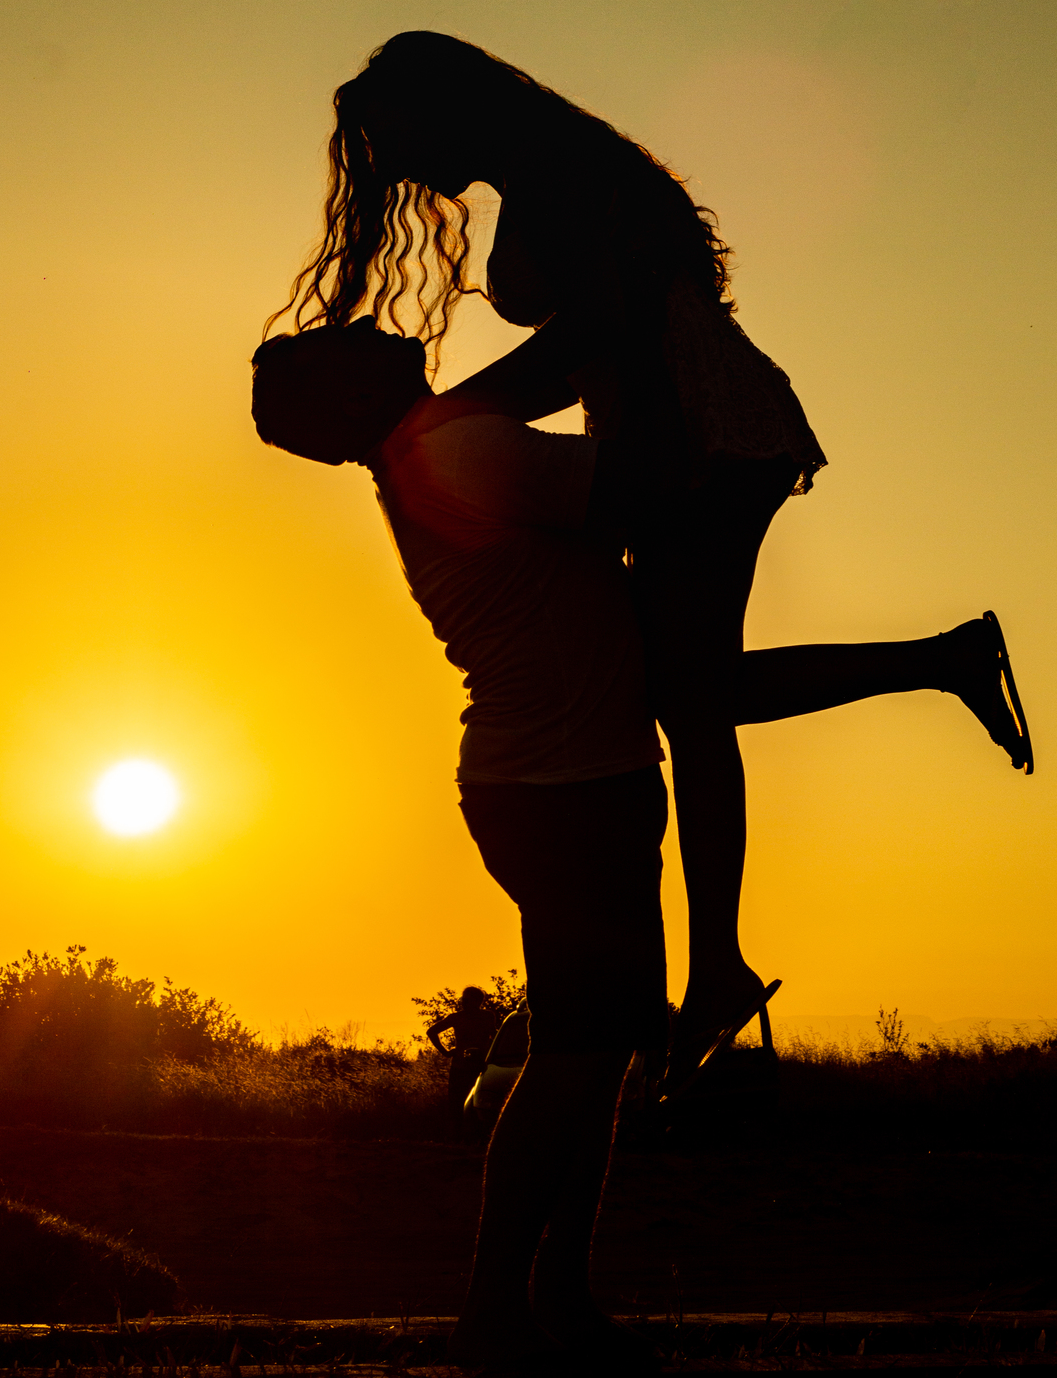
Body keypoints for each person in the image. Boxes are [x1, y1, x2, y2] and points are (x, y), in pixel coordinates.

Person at [250, 317, 1029, 1370]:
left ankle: (557, 1294)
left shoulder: (435, 448)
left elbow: (673, 645)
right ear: (346, 404)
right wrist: (628, 341)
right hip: (566, 796)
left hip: (570, 785)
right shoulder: (459, 449)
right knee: (576, 1062)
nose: (373, 326)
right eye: (342, 346)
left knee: (600, 1054)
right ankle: (498, 1308)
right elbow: (652, 483)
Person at [269, 32, 1034, 1086]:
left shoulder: (553, 173)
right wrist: (456, 417)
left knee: (691, 694)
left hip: (695, 420)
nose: (395, 170)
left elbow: (601, 337)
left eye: (396, 139)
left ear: (441, 105)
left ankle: (719, 960)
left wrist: (455, 412)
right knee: (689, 683)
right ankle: (940, 664)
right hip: (666, 416)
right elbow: (591, 348)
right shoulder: (544, 172)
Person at [428, 986, 501, 1139]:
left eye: (466, 1000)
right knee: (456, 1103)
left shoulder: (487, 1016)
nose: (463, 1002)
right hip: (461, 1066)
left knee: (478, 1102)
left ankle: (475, 1137)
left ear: (477, 1001)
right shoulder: (457, 1017)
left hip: (480, 1066)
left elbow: (493, 1034)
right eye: (463, 999)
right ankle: (457, 1138)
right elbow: (432, 1031)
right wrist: (445, 1052)